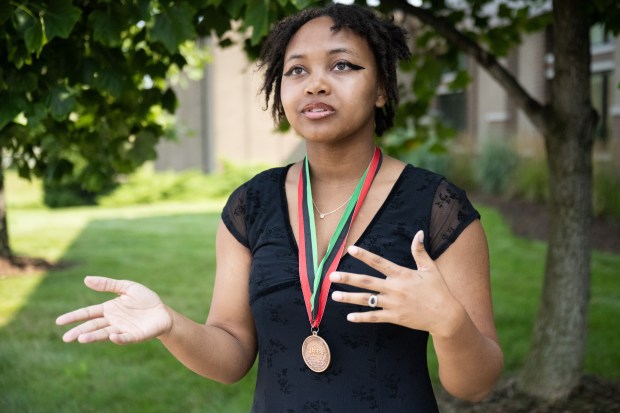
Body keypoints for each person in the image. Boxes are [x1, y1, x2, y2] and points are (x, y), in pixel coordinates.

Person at [56, 4, 503, 412]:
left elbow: (474, 385)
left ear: (382, 88)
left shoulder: (438, 208)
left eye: (342, 64)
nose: (317, 83)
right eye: (296, 70)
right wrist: (170, 323)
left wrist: (449, 323)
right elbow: (230, 356)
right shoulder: (251, 205)